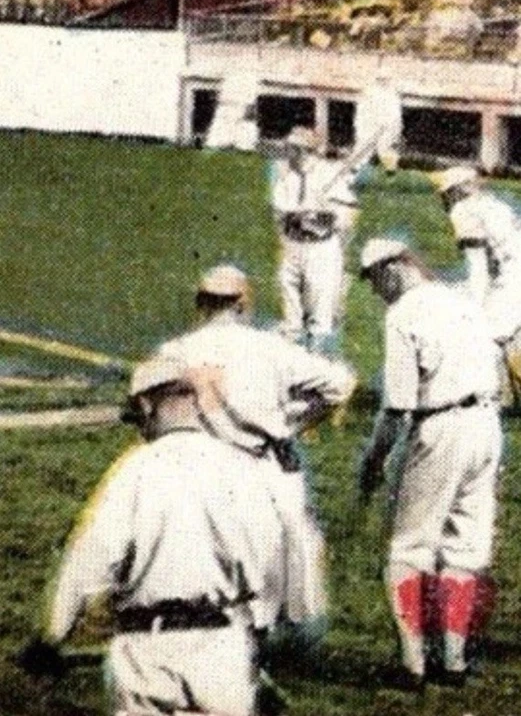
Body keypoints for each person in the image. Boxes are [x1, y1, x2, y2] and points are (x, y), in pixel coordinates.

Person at [22, 354, 287, 716]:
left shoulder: (134, 471)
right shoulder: (244, 468)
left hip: (147, 658)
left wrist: (49, 637)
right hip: (224, 655)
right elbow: (272, 570)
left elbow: (85, 564)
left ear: (147, 405)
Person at [157, 263, 357, 640]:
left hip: (196, 470)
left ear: (200, 304)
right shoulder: (270, 348)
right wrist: (297, 420)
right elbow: (340, 384)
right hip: (258, 465)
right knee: (275, 559)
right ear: (243, 302)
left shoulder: (175, 353)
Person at [358, 238, 502, 689]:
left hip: (439, 428)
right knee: (464, 549)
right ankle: (454, 660)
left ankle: (413, 664)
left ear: (394, 268)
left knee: (407, 549)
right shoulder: (462, 299)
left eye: (375, 279)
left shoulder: (403, 314)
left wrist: (373, 459)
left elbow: (397, 406)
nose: (376, 290)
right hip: (487, 426)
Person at [434, 165, 521, 402]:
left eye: (449, 192)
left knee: (485, 338)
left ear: (461, 190)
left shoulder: (464, 210)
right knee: (511, 341)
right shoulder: (497, 204)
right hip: (513, 274)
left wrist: (476, 306)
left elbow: (478, 267)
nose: (445, 198)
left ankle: (488, 399)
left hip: (513, 279)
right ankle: (505, 398)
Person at [270, 126, 360, 352]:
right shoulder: (286, 176)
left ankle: (314, 365)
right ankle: (291, 368)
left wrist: (322, 214)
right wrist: (297, 213)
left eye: (293, 149)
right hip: (292, 246)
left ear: (305, 151)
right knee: (291, 314)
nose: (287, 153)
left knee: (320, 314)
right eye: (288, 148)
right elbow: (279, 209)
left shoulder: (330, 174)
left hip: (320, 249)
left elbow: (347, 215)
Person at [206, 69, 259, 151]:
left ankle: (242, 146)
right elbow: (219, 97)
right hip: (227, 104)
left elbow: (250, 101)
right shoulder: (228, 80)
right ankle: (222, 144)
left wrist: (250, 106)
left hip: (242, 103)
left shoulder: (249, 78)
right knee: (223, 125)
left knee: (244, 126)